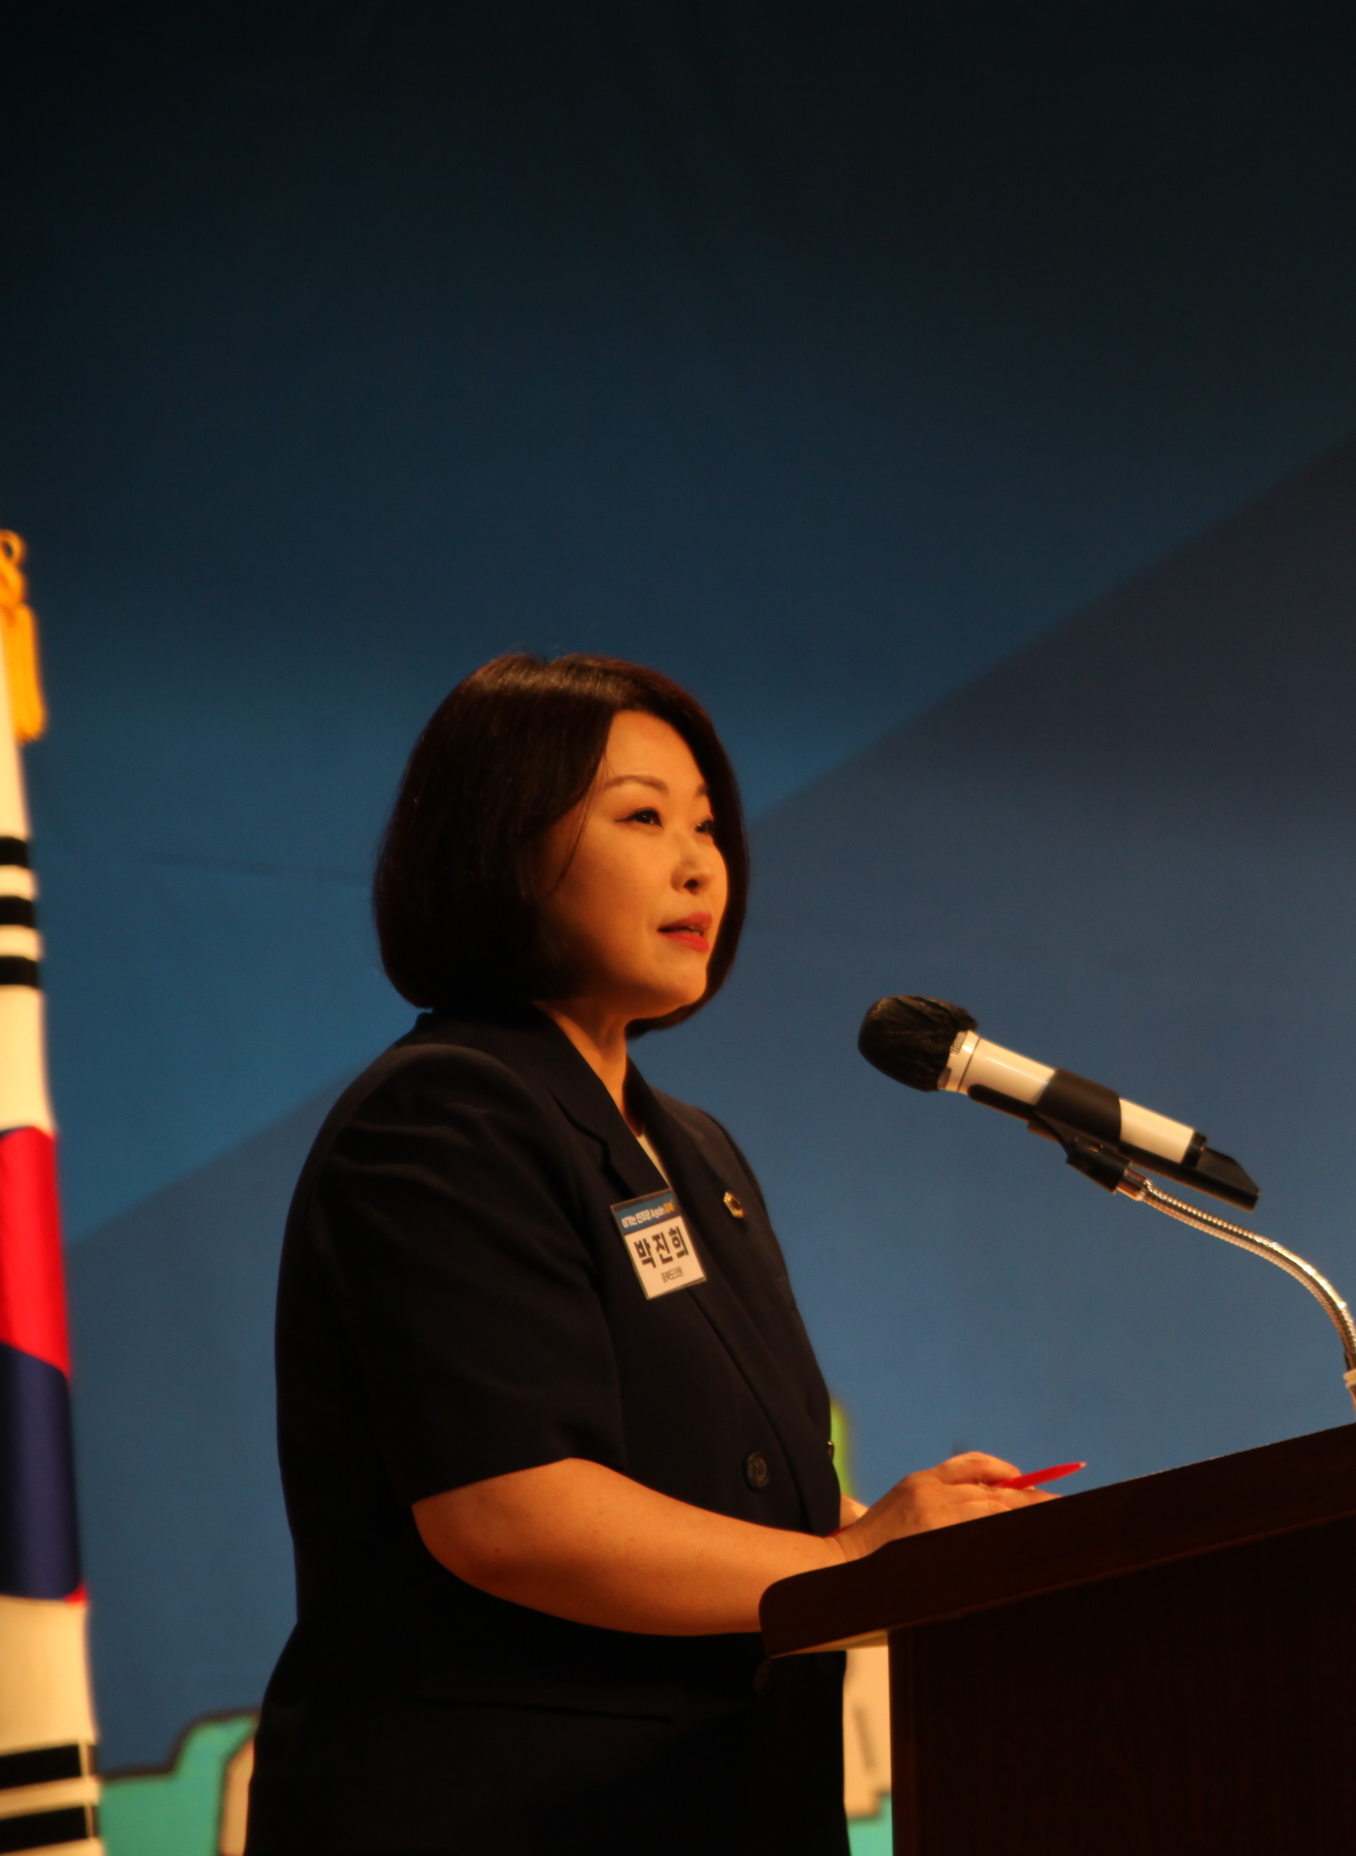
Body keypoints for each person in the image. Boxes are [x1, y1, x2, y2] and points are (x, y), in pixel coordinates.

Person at [245, 654, 1042, 1855]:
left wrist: (925, 1543)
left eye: (707, 825)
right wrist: (848, 1559)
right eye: (642, 817)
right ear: (503, 844)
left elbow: (741, 1492)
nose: (699, 862)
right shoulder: (445, 1113)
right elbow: (510, 1509)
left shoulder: (693, 1147)